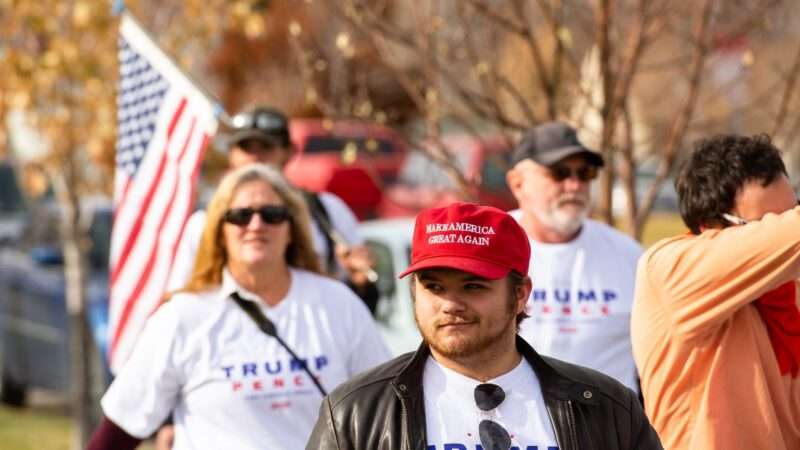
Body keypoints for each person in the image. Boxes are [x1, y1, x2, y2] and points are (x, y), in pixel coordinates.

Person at [306, 201, 663, 450]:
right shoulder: (355, 413)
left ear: (520, 294)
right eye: (433, 287)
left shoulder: (606, 408)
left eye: (473, 286)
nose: (450, 304)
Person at [87, 164, 391, 450]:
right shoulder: (182, 317)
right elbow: (119, 431)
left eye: (271, 214)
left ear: (291, 228)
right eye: (240, 216)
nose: (256, 225)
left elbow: (385, 408)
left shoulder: (339, 305)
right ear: (220, 230)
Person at [631, 134, 800, 449]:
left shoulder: (785, 289)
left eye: (791, 212)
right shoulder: (671, 267)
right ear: (711, 223)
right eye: (765, 225)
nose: (778, 238)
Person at [166, 106, 379, 312]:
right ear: (231, 153)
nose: (256, 157)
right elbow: (180, 297)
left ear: (290, 151)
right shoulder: (204, 224)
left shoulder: (328, 211)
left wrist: (360, 282)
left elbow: (359, 299)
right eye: (240, 217)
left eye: (266, 147)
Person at [505, 122, 642, 392]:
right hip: (511, 428)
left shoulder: (631, 257)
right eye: (559, 172)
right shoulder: (490, 249)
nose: (575, 185)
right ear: (518, 183)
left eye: (585, 173)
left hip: (606, 429)